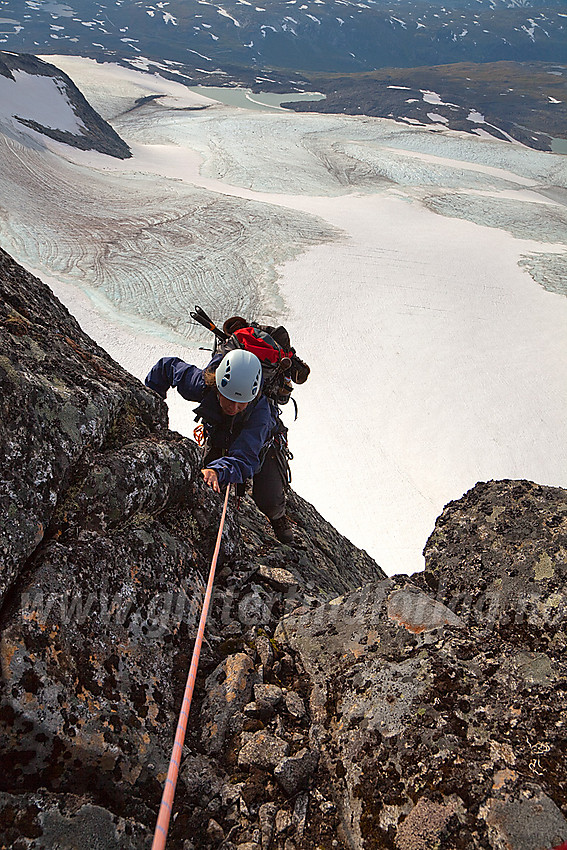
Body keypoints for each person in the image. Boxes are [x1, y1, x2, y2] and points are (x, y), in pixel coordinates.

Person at [145, 348, 294, 544]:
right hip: (219, 434)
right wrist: (150, 405)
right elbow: (167, 367)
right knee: (206, 484)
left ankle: (279, 520)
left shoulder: (261, 413)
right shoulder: (202, 384)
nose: (233, 408)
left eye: (241, 403)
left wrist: (218, 470)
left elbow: (245, 458)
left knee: (269, 499)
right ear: (217, 386)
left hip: (262, 446)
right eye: (229, 400)